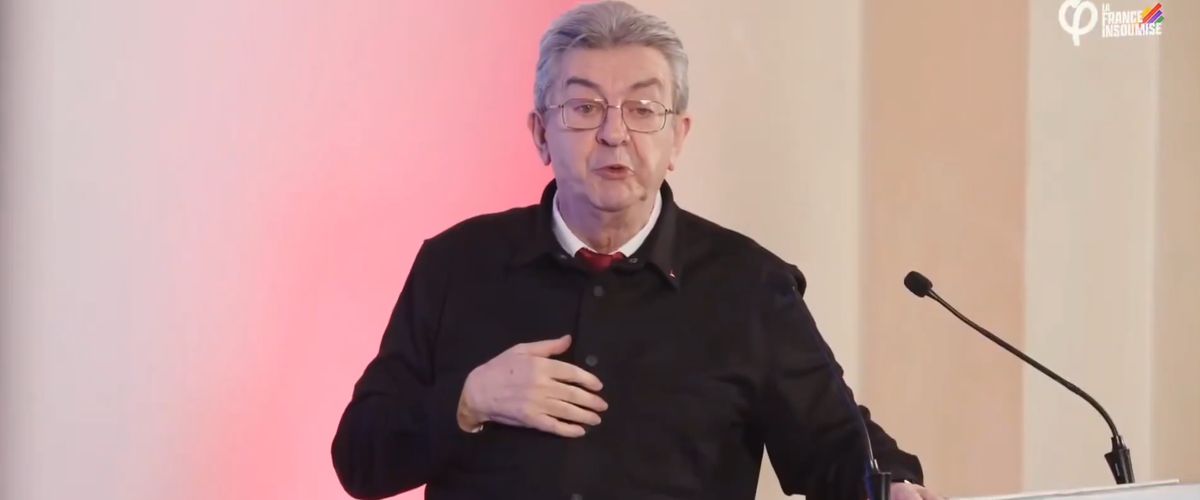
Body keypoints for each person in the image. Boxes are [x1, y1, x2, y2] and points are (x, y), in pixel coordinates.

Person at [332, 2, 941, 499]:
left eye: (643, 109)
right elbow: (360, 459)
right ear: (541, 133)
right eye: (584, 107)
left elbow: (835, 447)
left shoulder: (748, 287)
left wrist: (893, 487)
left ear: (678, 137)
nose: (613, 133)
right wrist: (470, 400)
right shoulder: (456, 266)